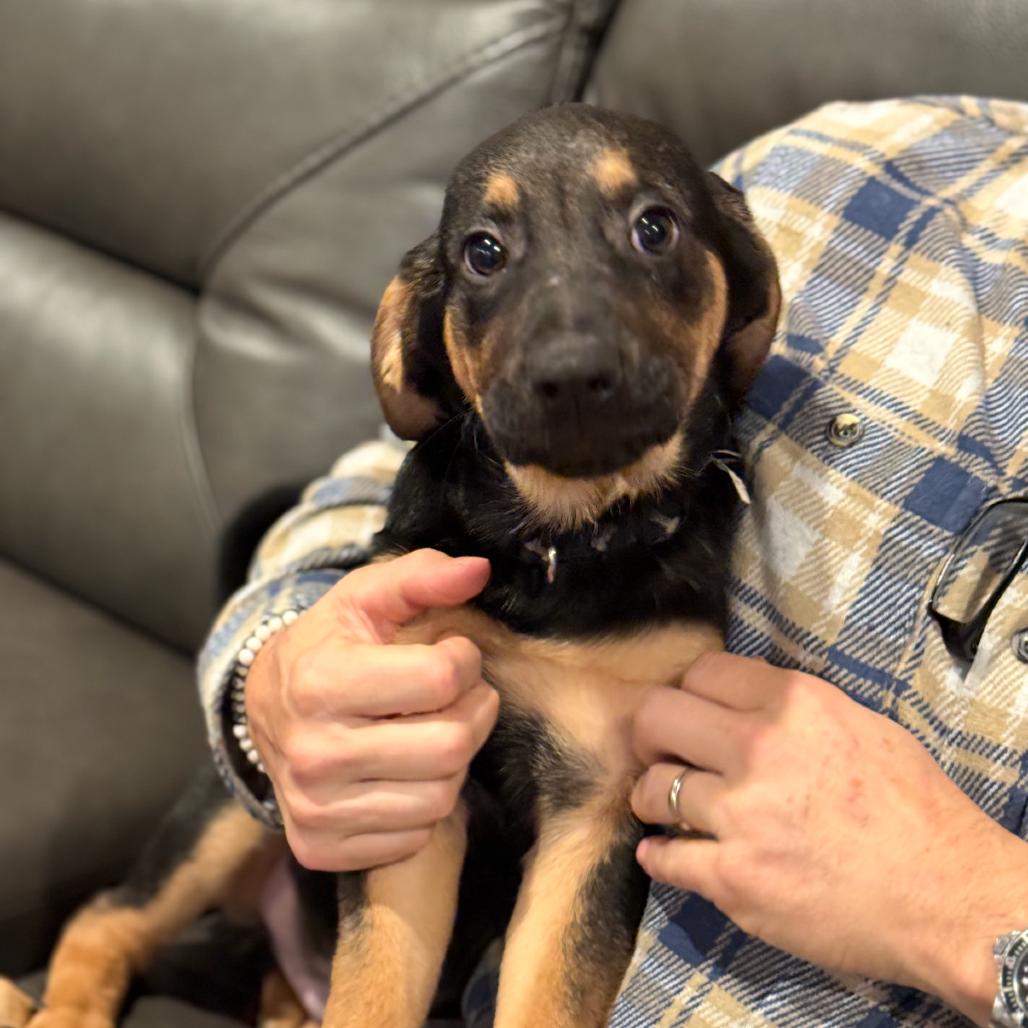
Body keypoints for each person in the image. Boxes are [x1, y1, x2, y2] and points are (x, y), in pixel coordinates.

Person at [200, 96, 1028, 1027]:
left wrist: (981, 908)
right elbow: (360, 501)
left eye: (650, 231)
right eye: (486, 255)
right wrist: (277, 667)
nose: (572, 352)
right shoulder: (849, 161)